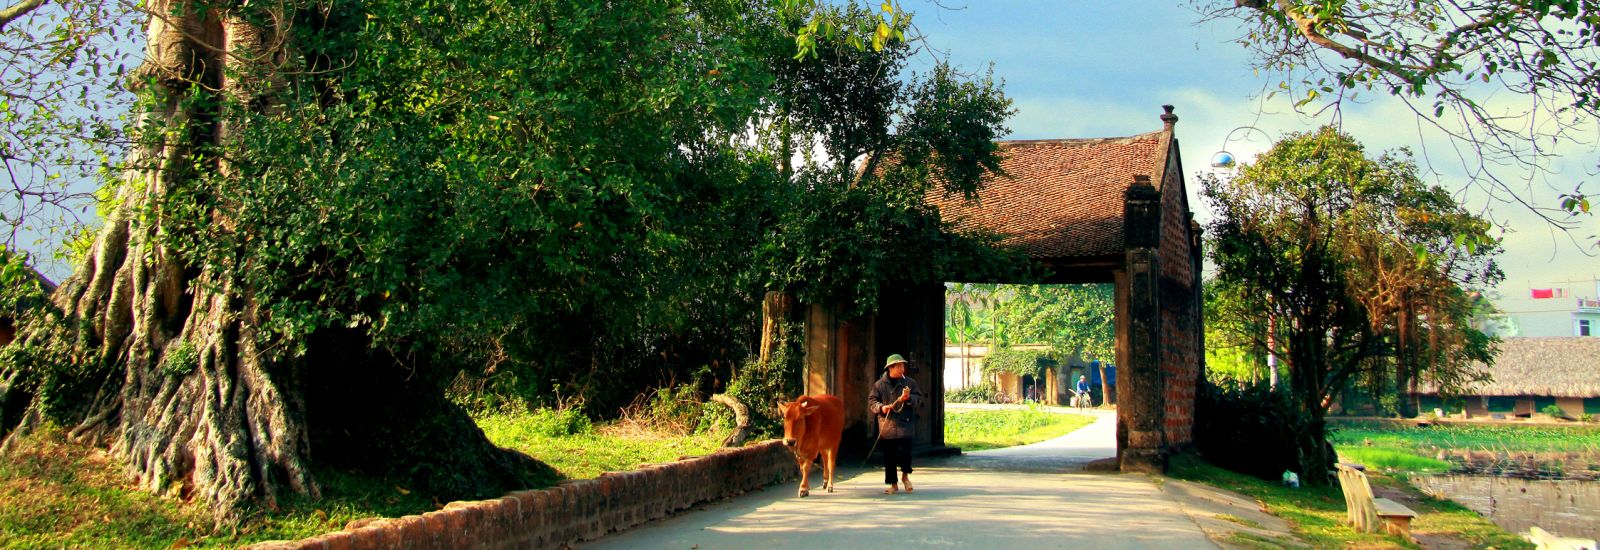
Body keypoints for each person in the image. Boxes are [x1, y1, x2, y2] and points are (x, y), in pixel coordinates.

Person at [869, 353, 922, 494]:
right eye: (899, 366)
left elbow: (918, 398)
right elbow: (872, 401)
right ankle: (893, 483)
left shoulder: (910, 383)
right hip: (888, 426)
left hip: (906, 424)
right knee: (889, 456)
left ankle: (905, 477)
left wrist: (908, 398)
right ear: (890, 368)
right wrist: (882, 408)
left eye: (903, 365)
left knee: (906, 453)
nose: (902, 368)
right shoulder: (879, 385)